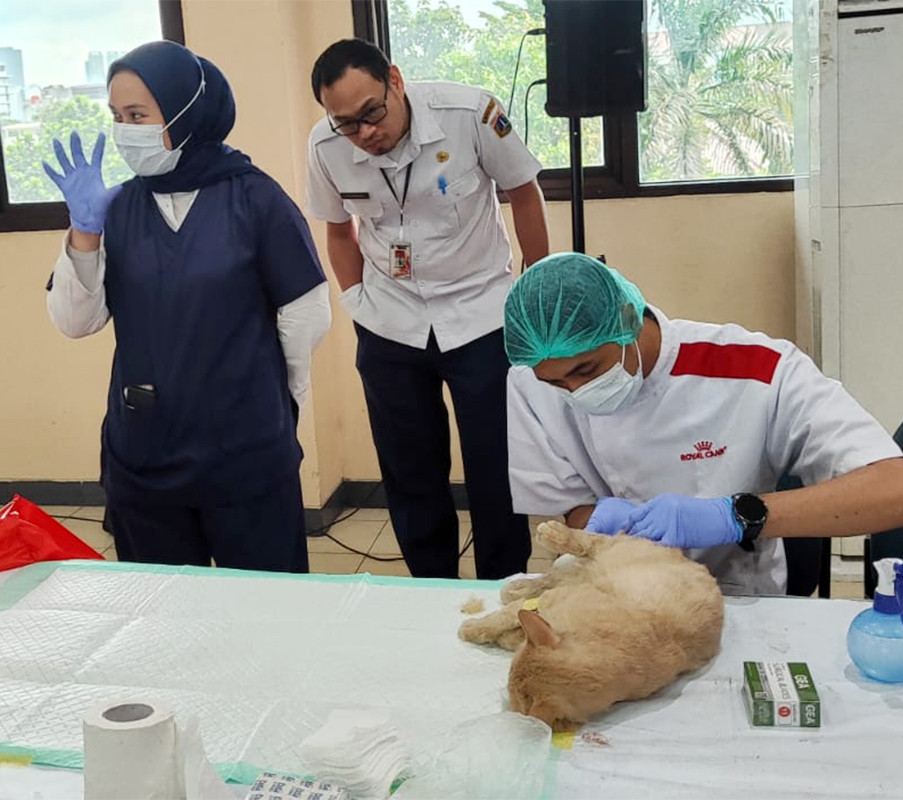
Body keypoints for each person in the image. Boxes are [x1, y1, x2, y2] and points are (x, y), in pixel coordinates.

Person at [44, 41, 330, 572]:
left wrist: (275, 400)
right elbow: (76, 322)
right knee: (164, 619)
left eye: (137, 115)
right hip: (145, 455)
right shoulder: (118, 209)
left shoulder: (255, 199)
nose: (124, 130)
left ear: (184, 112)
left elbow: (306, 316)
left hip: (245, 452)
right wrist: (84, 232)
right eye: (116, 116)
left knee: (267, 609)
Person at [504, 253, 903, 595]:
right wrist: (599, 523)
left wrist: (733, 516)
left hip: (737, 597)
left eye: (587, 370)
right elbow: (573, 510)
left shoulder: (755, 368)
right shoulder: (530, 381)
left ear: (627, 322)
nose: (575, 391)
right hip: (613, 593)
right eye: (557, 382)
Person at [305, 39, 550, 580]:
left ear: (394, 79)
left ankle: (503, 586)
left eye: (372, 112)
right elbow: (338, 231)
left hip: (482, 313)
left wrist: (534, 288)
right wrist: (355, 301)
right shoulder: (325, 146)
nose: (365, 132)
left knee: (497, 468)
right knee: (410, 470)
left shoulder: (470, 114)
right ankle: (431, 589)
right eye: (348, 123)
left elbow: (524, 192)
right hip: (390, 323)